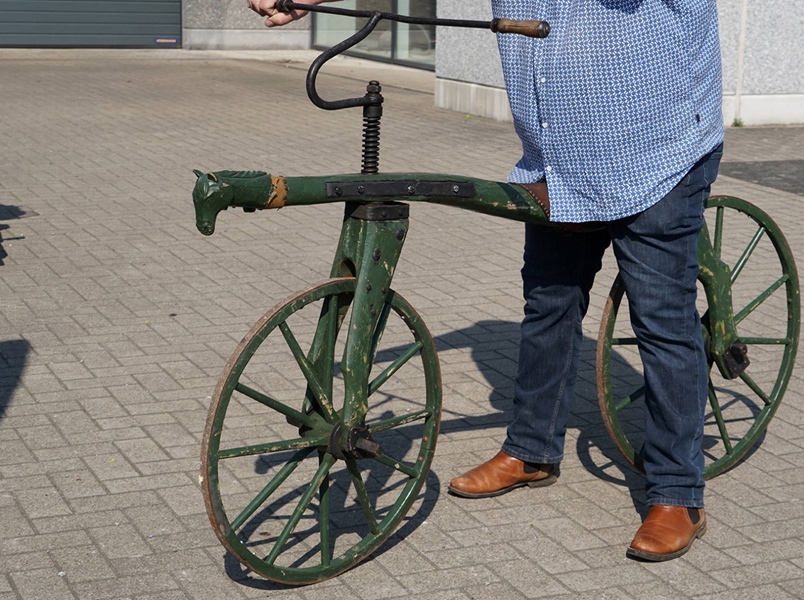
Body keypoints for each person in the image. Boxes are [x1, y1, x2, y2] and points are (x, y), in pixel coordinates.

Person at [248, 0, 724, 562]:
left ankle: (678, 493)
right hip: (559, 162)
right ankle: (531, 451)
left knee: (662, 322)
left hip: (655, 153)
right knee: (548, 305)